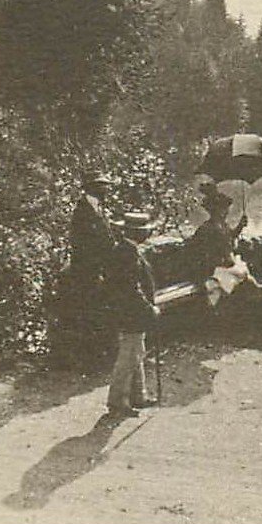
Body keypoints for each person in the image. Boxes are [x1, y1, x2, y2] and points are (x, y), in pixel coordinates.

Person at [54, 175, 119, 370]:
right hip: (87, 272)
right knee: (90, 314)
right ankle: (90, 360)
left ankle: (97, 357)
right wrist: (98, 268)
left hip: (97, 270)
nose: (107, 190)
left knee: (98, 313)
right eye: (103, 186)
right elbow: (83, 246)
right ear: (93, 188)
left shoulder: (97, 207)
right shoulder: (83, 212)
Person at [105, 211, 160, 417]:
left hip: (130, 309)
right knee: (129, 354)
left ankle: (138, 395)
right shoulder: (126, 253)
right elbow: (131, 288)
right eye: (144, 231)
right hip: (130, 310)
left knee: (137, 350)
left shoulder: (128, 249)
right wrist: (148, 308)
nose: (147, 234)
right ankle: (118, 401)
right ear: (136, 233)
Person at [183, 183, 251, 306]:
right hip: (214, 270)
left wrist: (240, 226)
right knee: (240, 287)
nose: (227, 212)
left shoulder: (222, 226)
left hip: (225, 267)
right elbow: (197, 252)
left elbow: (230, 237)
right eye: (224, 209)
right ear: (216, 210)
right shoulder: (207, 228)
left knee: (248, 284)